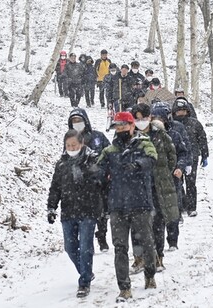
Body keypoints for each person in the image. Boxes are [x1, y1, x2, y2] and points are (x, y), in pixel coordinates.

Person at [97, 112, 158, 302]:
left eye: (124, 125)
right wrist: (95, 173)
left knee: (147, 243)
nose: (121, 129)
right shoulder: (110, 150)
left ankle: (150, 275)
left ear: (132, 126)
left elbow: (152, 158)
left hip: (140, 203)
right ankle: (124, 287)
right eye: (118, 126)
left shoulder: (143, 143)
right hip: (117, 206)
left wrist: (138, 164)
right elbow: (98, 168)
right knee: (120, 247)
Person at [47, 130, 102, 298]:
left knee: (85, 247)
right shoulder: (62, 164)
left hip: (88, 210)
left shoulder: (92, 160)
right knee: (70, 248)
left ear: (82, 144)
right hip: (68, 211)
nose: (71, 148)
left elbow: (99, 183)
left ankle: (84, 282)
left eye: (74, 145)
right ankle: (86, 271)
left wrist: (86, 176)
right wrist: (51, 207)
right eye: (68, 145)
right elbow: (55, 187)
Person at [131, 103, 180, 272]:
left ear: (150, 117)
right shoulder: (131, 138)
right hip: (138, 187)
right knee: (137, 225)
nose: (141, 122)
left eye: (143, 118)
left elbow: (172, 156)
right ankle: (139, 258)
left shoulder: (160, 135)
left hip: (157, 185)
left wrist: (163, 172)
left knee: (158, 223)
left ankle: (158, 257)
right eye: (137, 119)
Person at [68, 108, 111, 251]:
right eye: (74, 121)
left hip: (101, 181)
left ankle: (102, 237)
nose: (77, 124)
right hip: (81, 184)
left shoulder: (98, 137)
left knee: (103, 211)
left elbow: (109, 154)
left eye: (79, 121)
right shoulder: (70, 141)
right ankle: (87, 241)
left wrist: (104, 172)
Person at [150, 101, 190, 250]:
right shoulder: (148, 135)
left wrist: (180, 167)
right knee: (157, 214)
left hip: (172, 178)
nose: (157, 121)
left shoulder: (175, 134)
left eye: (160, 118)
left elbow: (183, 152)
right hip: (155, 180)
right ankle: (157, 242)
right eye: (154, 118)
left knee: (173, 210)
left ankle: (173, 240)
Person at [173, 97, 209, 217]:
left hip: (192, 156)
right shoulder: (172, 124)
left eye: (183, 110)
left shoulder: (194, 123)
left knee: (191, 182)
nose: (181, 113)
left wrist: (204, 155)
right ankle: (181, 204)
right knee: (177, 182)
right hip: (176, 157)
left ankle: (191, 207)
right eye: (179, 111)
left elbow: (202, 139)